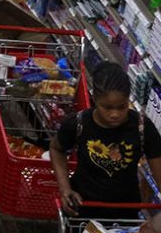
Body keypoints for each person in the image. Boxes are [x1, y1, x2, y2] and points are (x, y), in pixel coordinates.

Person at [52, 61, 161, 210]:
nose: (115, 114)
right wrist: (65, 189)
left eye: (122, 107)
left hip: (126, 210)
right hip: (83, 206)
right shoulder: (79, 123)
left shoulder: (142, 127)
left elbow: (158, 164)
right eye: (107, 107)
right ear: (95, 99)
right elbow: (57, 149)